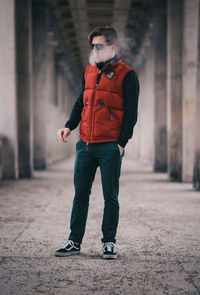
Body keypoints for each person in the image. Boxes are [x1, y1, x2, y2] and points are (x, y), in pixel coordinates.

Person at [55, 26, 139, 259]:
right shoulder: (89, 71)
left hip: (110, 145)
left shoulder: (127, 75)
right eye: (92, 46)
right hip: (85, 144)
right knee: (80, 194)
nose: (94, 50)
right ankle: (74, 241)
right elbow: (80, 102)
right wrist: (69, 126)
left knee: (110, 196)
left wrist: (121, 143)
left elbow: (131, 114)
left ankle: (109, 242)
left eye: (99, 46)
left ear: (113, 47)